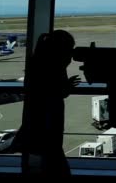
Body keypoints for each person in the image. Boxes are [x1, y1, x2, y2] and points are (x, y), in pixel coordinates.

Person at [17, 30, 80, 177]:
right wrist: (66, 85)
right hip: (48, 129)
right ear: (59, 51)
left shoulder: (41, 65)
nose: (70, 56)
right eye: (68, 50)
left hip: (39, 129)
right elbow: (56, 93)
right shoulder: (54, 68)